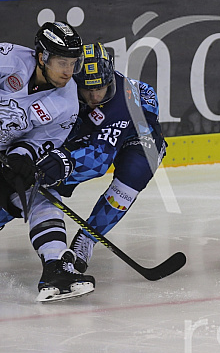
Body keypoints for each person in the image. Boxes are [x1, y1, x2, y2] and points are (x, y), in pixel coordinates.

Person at [0, 21, 96, 302]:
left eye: (73, 63)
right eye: (62, 62)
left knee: (42, 193)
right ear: (41, 57)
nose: (68, 71)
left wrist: (21, 158)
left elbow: (36, 142)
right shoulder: (8, 60)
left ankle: (55, 268)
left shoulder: (67, 103)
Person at [52, 42, 167, 274]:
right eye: (87, 89)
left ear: (110, 80)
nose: (94, 96)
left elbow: (97, 162)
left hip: (137, 136)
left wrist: (51, 167)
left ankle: (87, 239)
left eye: (100, 89)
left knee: (134, 173)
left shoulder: (121, 102)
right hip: (92, 130)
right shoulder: (65, 86)